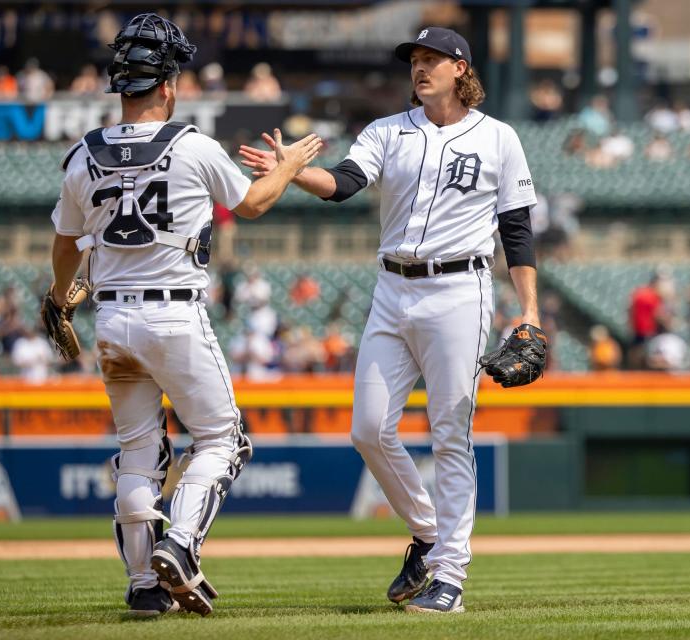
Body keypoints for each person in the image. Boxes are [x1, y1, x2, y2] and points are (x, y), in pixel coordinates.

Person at [240, 26, 543, 614]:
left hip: (460, 289)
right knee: (367, 429)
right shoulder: (386, 131)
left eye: (432, 59)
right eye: (415, 60)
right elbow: (343, 185)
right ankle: (429, 536)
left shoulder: (499, 138)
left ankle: (450, 573)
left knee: (450, 431)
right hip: (391, 288)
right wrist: (291, 170)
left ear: (461, 67)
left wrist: (529, 312)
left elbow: (518, 232)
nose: (420, 68)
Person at [47, 13, 321, 617]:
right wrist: (291, 165)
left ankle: (145, 584)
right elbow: (253, 203)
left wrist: (56, 298)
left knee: (138, 449)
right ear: (168, 86)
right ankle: (181, 545)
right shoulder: (192, 145)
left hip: (111, 321)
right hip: (174, 315)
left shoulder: (80, 155)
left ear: (121, 87)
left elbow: (66, 247)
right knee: (225, 439)